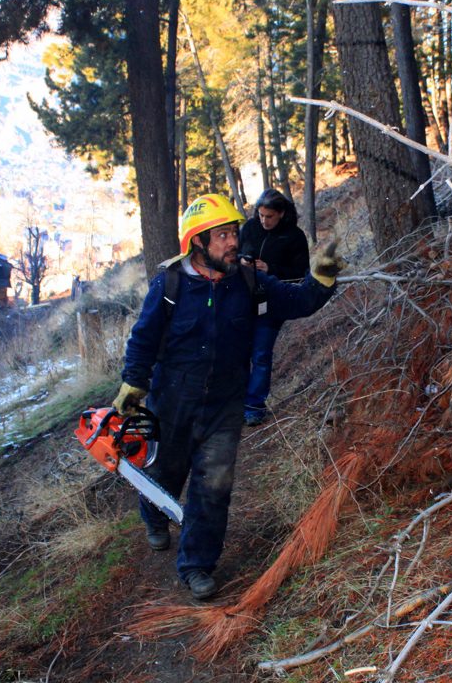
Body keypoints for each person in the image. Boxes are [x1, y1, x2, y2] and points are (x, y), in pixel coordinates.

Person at [111, 193, 345, 600]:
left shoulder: (248, 281)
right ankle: (153, 512)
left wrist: (321, 279)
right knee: (166, 470)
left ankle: (197, 564)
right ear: (198, 243)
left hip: (225, 403)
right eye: (221, 236)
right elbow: (144, 338)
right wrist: (134, 382)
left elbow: (299, 301)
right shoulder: (169, 285)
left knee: (213, 483)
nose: (233, 242)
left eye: (234, 232)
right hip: (172, 400)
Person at [238, 189, 311, 426]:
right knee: (238, 353)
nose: (263, 221)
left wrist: (271, 270)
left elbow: (300, 274)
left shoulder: (294, 236)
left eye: (269, 216)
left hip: (272, 303)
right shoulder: (249, 228)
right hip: (243, 299)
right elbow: (234, 253)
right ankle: (235, 403)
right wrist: (241, 261)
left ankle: (253, 406)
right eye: (260, 215)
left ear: (280, 213)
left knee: (260, 353)